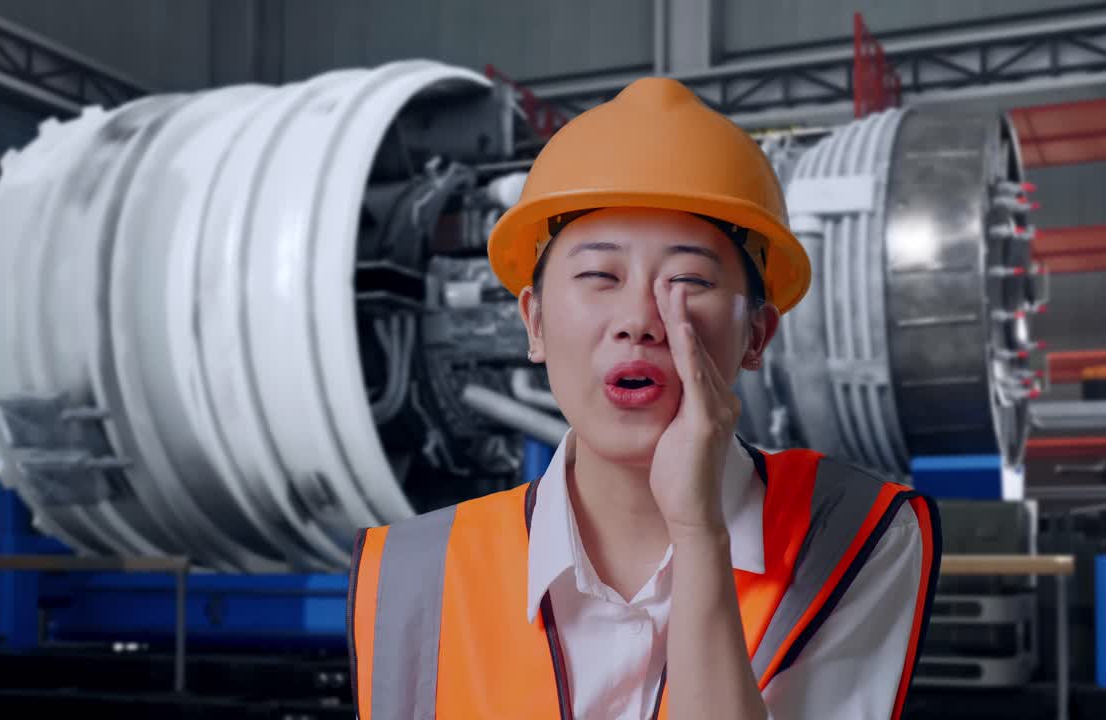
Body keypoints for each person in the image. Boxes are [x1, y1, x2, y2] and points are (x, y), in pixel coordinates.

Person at [348, 77, 941, 720]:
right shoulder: (413, 575)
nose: (640, 319)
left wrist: (699, 535)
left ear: (756, 335)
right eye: (599, 276)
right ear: (536, 323)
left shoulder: (853, 535)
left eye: (688, 279)